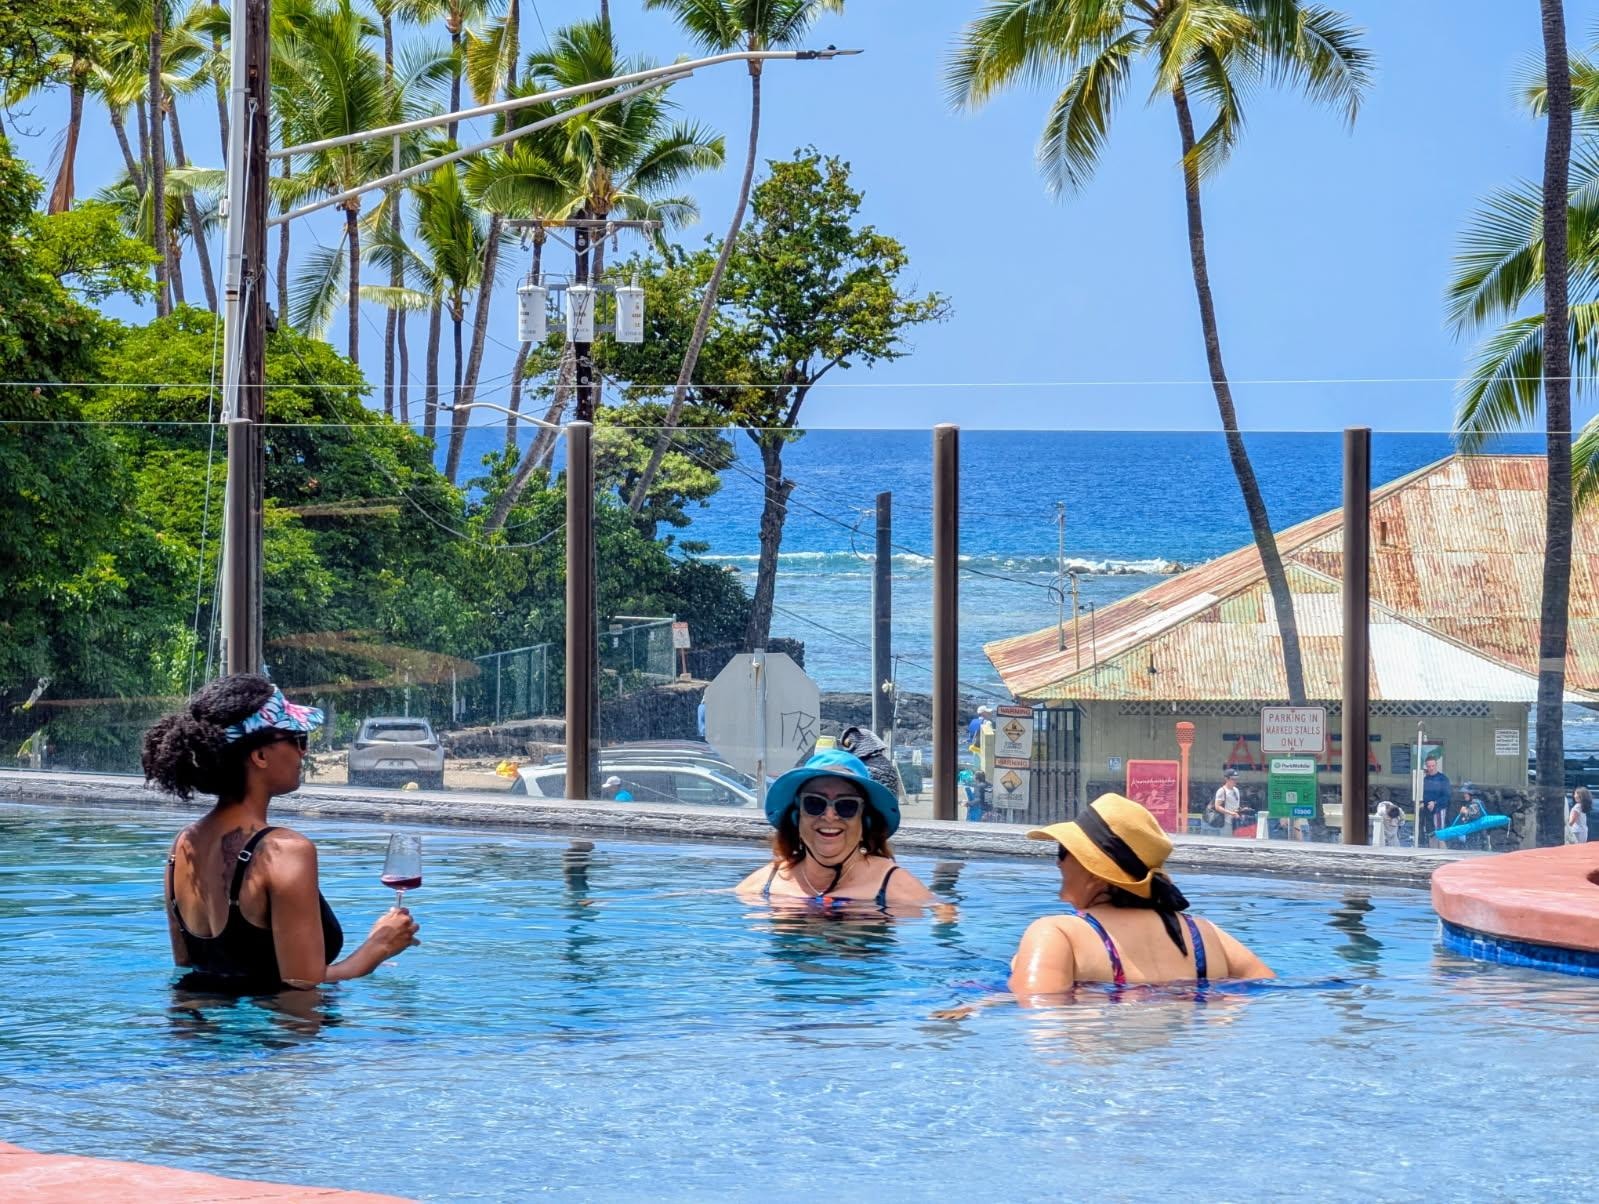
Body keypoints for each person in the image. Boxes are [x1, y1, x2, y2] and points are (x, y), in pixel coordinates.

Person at [142, 673, 419, 995]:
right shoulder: (286, 851)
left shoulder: (183, 846)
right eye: (297, 738)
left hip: (201, 1032)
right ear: (259, 755)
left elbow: (188, 970)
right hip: (278, 1041)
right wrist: (378, 946)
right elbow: (301, 983)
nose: (303, 752)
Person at [1009, 793, 1274, 993]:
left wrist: (1018, 973)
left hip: (1095, 1058)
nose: (1058, 862)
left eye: (1063, 851)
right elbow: (1267, 988)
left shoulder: (1057, 934)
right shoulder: (1206, 935)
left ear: (1094, 869)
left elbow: (1040, 1018)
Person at [736, 749, 936, 909]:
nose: (830, 816)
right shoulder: (763, 885)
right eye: (815, 804)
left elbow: (943, 919)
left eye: (846, 806)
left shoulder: (896, 888)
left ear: (865, 821)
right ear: (797, 818)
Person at [1420, 754, 1451, 846]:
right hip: (1427, 811)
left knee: (1439, 833)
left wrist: (1435, 803)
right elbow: (1423, 794)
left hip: (1439, 810)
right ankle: (1432, 853)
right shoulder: (1425, 779)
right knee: (1430, 833)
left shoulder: (1443, 779)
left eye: (1433, 766)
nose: (1431, 768)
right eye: (1429, 766)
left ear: (1436, 765)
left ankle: (1442, 855)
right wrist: (1422, 803)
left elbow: (1447, 796)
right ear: (1426, 766)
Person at [1205, 768, 1242, 835]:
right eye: (1233, 779)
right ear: (1226, 779)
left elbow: (1235, 805)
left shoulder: (1236, 790)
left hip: (1236, 821)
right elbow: (1217, 806)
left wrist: (1241, 810)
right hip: (1226, 822)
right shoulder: (1222, 791)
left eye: (1236, 779)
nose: (1235, 781)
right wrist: (1231, 813)